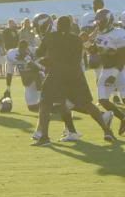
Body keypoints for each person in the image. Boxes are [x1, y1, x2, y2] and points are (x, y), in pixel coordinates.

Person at [33, 15, 116, 146]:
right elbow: (77, 59)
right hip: (75, 75)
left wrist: (47, 61)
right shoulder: (76, 39)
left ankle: (44, 137)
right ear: (70, 26)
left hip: (56, 74)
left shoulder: (50, 37)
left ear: (57, 25)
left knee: (45, 104)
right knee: (87, 104)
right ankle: (107, 131)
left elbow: (39, 54)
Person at [85, 8, 125, 134]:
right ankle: (123, 118)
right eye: (98, 21)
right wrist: (86, 42)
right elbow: (94, 51)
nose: (99, 24)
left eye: (101, 21)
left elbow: (122, 57)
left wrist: (114, 75)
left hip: (121, 70)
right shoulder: (99, 34)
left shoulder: (119, 33)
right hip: (106, 69)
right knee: (102, 100)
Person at [5, 40, 45, 115]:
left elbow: (38, 69)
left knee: (39, 74)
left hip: (40, 81)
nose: (22, 51)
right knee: (32, 108)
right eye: (21, 49)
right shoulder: (12, 54)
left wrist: (26, 59)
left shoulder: (34, 52)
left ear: (27, 48)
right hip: (28, 83)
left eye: (24, 49)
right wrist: (8, 89)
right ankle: (50, 106)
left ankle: (44, 100)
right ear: (18, 48)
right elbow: (9, 73)